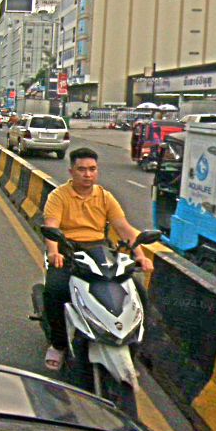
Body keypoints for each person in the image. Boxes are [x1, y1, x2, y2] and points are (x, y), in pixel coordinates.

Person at [40, 146, 154, 371]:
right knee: (55, 290)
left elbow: (124, 228)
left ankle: (136, 344)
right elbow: (51, 227)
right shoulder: (58, 196)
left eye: (92, 169)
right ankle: (58, 344)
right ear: (71, 171)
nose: (87, 174)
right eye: (82, 169)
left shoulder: (105, 197)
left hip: (100, 250)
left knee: (137, 292)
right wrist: (54, 252)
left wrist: (140, 255)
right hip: (68, 249)